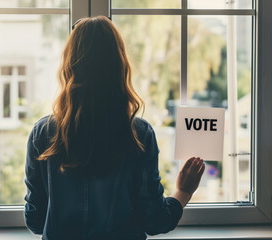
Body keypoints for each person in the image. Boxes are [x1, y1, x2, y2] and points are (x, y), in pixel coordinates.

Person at [24, 16, 205, 240]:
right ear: (120, 66)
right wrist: (184, 192)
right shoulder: (138, 135)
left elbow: (35, 221)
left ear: (69, 67)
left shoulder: (42, 134)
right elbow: (156, 221)